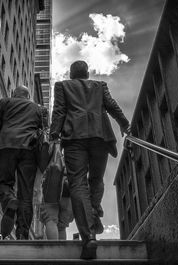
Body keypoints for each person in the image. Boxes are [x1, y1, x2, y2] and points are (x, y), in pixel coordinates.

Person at [49, 60, 130, 259]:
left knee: (77, 182)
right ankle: (93, 212)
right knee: (96, 180)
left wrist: (53, 136)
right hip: (100, 136)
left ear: (71, 74)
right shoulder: (100, 86)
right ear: (86, 73)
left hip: (75, 138)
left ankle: (88, 237)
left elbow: (59, 111)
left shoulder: (62, 86)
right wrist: (124, 124)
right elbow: (112, 105)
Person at [0, 85, 44, 240]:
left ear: (14, 94)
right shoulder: (38, 109)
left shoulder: (5, 102)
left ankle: (9, 200)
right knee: (26, 194)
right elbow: (43, 132)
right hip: (29, 150)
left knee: (3, 183)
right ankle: (22, 234)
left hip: (6, 145)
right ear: (28, 96)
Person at [40, 173, 74, 240]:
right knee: (62, 227)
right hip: (69, 188)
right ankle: (61, 250)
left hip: (51, 185)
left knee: (50, 220)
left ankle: (53, 250)